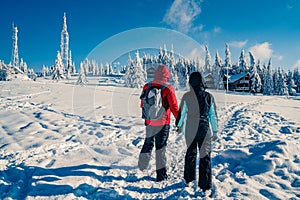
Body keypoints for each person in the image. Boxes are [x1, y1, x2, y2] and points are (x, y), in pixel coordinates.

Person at [176, 72, 218, 194]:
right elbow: (212, 115)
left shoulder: (187, 96)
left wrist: (178, 126)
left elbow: (182, 113)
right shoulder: (209, 96)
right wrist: (214, 130)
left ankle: (189, 180)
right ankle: (205, 187)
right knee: (205, 157)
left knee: (190, 154)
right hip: (205, 129)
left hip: (190, 129)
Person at [138, 64, 179, 182]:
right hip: (162, 123)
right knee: (160, 149)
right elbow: (174, 107)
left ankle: (142, 166)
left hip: (149, 121)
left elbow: (142, 104)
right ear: (167, 75)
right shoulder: (168, 88)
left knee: (148, 143)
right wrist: (180, 120)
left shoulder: (147, 86)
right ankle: (161, 176)